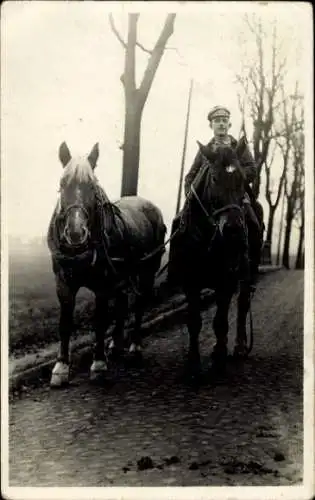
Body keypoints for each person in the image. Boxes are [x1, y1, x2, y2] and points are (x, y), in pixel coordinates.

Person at [168, 105, 264, 285]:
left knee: (253, 221)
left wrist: (235, 172)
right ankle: (174, 273)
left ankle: (250, 271)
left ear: (229, 125)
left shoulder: (239, 146)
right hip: (210, 199)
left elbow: (251, 169)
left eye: (224, 121)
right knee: (178, 222)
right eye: (217, 121)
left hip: (235, 195)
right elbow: (190, 175)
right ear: (211, 125)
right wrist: (190, 195)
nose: (221, 124)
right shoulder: (206, 149)